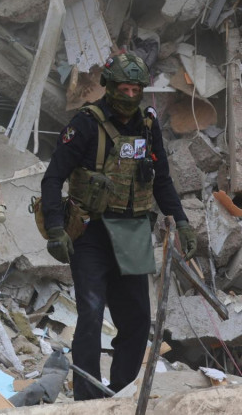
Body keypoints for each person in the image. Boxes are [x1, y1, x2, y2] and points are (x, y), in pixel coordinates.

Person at [39, 52, 198, 400]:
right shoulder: (84, 124)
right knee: (92, 314)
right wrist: (55, 228)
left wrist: (183, 224)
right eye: (122, 88)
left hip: (133, 233)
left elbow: (163, 182)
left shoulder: (147, 125)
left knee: (138, 320)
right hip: (91, 233)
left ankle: (121, 395)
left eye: (135, 89)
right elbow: (52, 179)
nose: (129, 96)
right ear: (109, 87)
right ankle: (87, 399)